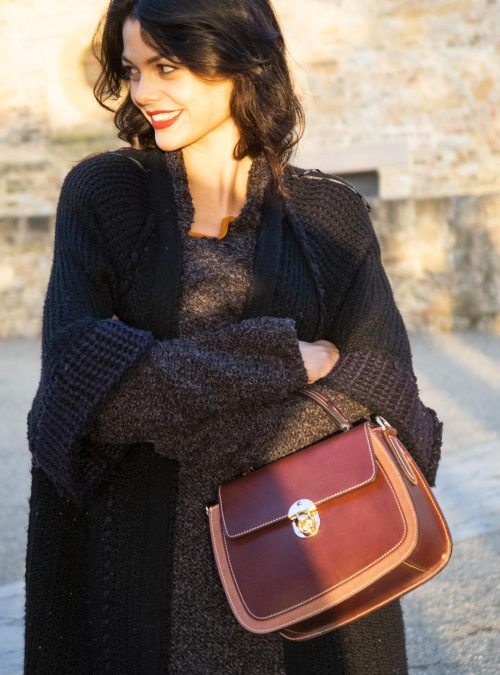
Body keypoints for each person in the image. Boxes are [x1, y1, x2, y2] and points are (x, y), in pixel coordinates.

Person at [24, 0, 444, 673]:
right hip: (143, 591)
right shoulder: (104, 196)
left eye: (167, 66)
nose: (144, 93)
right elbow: (83, 392)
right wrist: (289, 360)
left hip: (311, 586)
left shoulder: (331, 216)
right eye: (132, 71)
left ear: (237, 57)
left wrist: (160, 375)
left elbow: (389, 399)